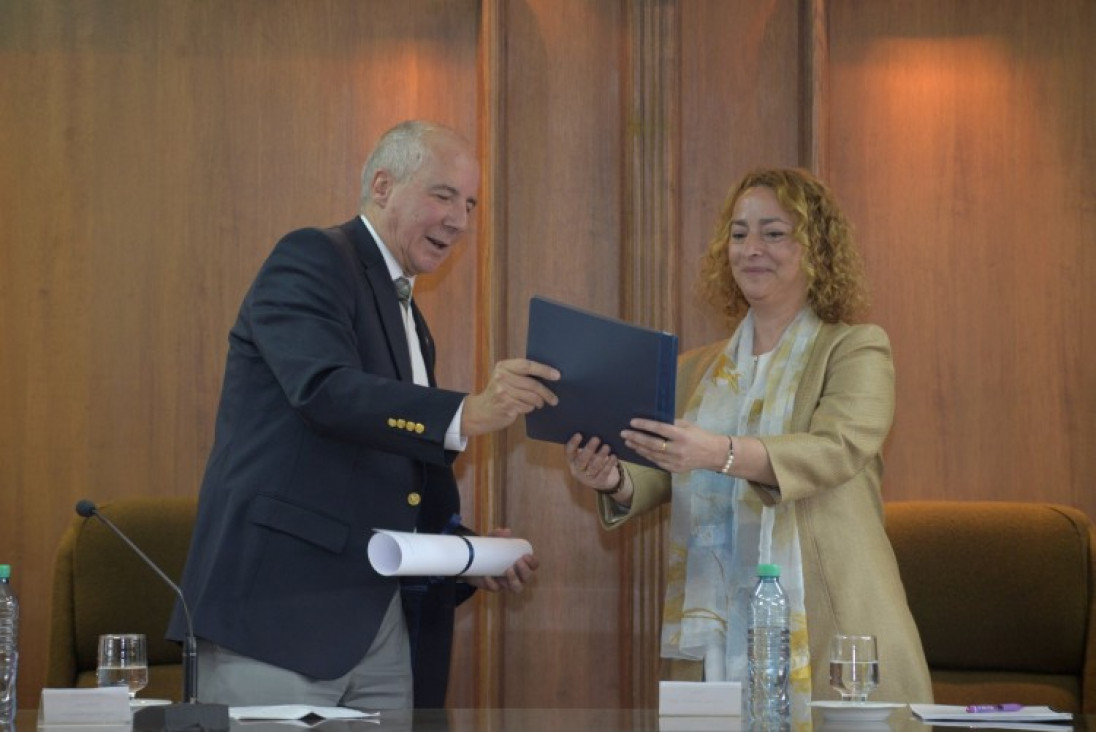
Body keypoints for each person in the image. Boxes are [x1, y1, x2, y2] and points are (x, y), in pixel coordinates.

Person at [168, 120, 559, 710]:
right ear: (382, 186)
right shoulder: (311, 258)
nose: (460, 219)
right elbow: (325, 392)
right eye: (443, 194)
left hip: (381, 627)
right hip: (279, 619)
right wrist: (467, 412)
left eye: (471, 203)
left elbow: (386, 480)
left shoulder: (411, 321)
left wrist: (467, 557)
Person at [565, 168, 933, 725]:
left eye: (773, 233)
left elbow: (836, 448)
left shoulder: (856, 349)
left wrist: (721, 453)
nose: (751, 249)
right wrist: (613, 478)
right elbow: (668, 467)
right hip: (712, 635)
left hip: (835, 629)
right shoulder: (699, 369)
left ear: (816, 249)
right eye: (739, 234)